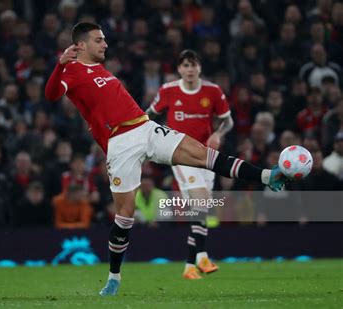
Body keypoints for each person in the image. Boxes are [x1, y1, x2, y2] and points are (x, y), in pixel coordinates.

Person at [44, 22, 288, 297]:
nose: (105, 44)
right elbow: (51, 94)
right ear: (81, 45)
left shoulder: (100, 69)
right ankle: (114, 278)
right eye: (99, 40)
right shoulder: (71, 70)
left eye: (104, 40)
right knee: (125, 216)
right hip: (119, 144)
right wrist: (59, 65)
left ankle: (268, 176)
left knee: (203, 155)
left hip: (145, 127)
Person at [146, 49, 233, 280]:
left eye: (193, 64)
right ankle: (202, 256)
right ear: (179, 69)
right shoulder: (168, 91)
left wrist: (218, 134)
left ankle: (190, 265)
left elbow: (228, 121)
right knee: (201, 201)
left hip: (205, 156)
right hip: (179, 153)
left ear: (200, 68)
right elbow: (149, 116)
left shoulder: (213, 91)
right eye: (185, 65)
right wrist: (153, 139)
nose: (190, 69)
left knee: (200, 208)